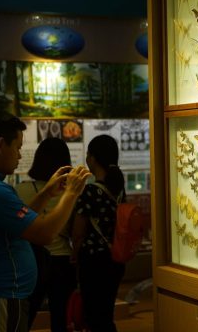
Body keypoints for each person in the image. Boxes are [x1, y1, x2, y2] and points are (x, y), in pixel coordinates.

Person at [0, 115, 91, 332]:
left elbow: (16, 224)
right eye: (17, 147)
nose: (19, 155)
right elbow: (44, 234)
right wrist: (72, 192)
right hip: (0, 297)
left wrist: (46, 193)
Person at [15, 137, 77, 332]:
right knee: (60, 316)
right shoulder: (70, 192)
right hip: (62, 260)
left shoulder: (21, 190)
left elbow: (18, 223)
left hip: (32, 259)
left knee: (27, 312)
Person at [71, 135, 127, 332]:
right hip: (116, 259)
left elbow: (78, 233)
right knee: (105, 313)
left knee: (94, 317)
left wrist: (74, 256)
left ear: (93, 158)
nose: (86, 158)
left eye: (88, 154)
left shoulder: (90, 191)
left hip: (93, 261)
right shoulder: (119, 190)